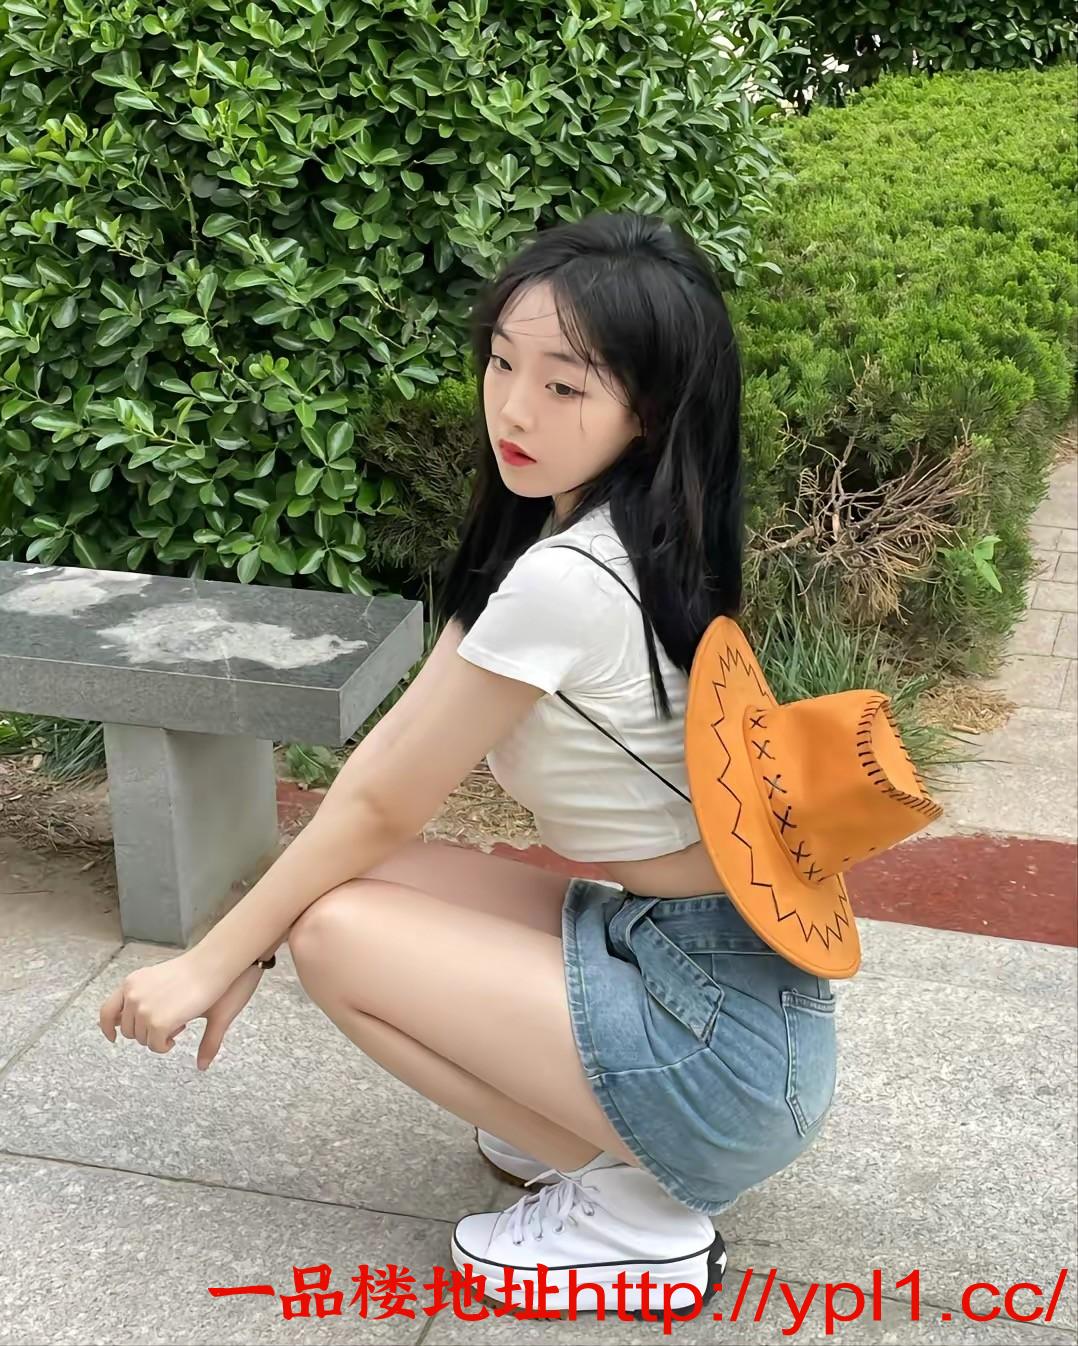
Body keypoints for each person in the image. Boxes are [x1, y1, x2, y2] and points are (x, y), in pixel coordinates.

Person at [97, 211, 837, 1317]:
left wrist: (214, 958)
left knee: (332, 933)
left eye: (564, 385)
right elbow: (389, 763)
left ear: (647, 411)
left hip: (719, 1044)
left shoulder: (572, 578)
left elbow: (388, 799)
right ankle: (580, 1107)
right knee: (353, 883)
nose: (514, 408)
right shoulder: (585, 533)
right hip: (714, 982)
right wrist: (242, 939)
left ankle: (636, 1208)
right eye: (501, 362)